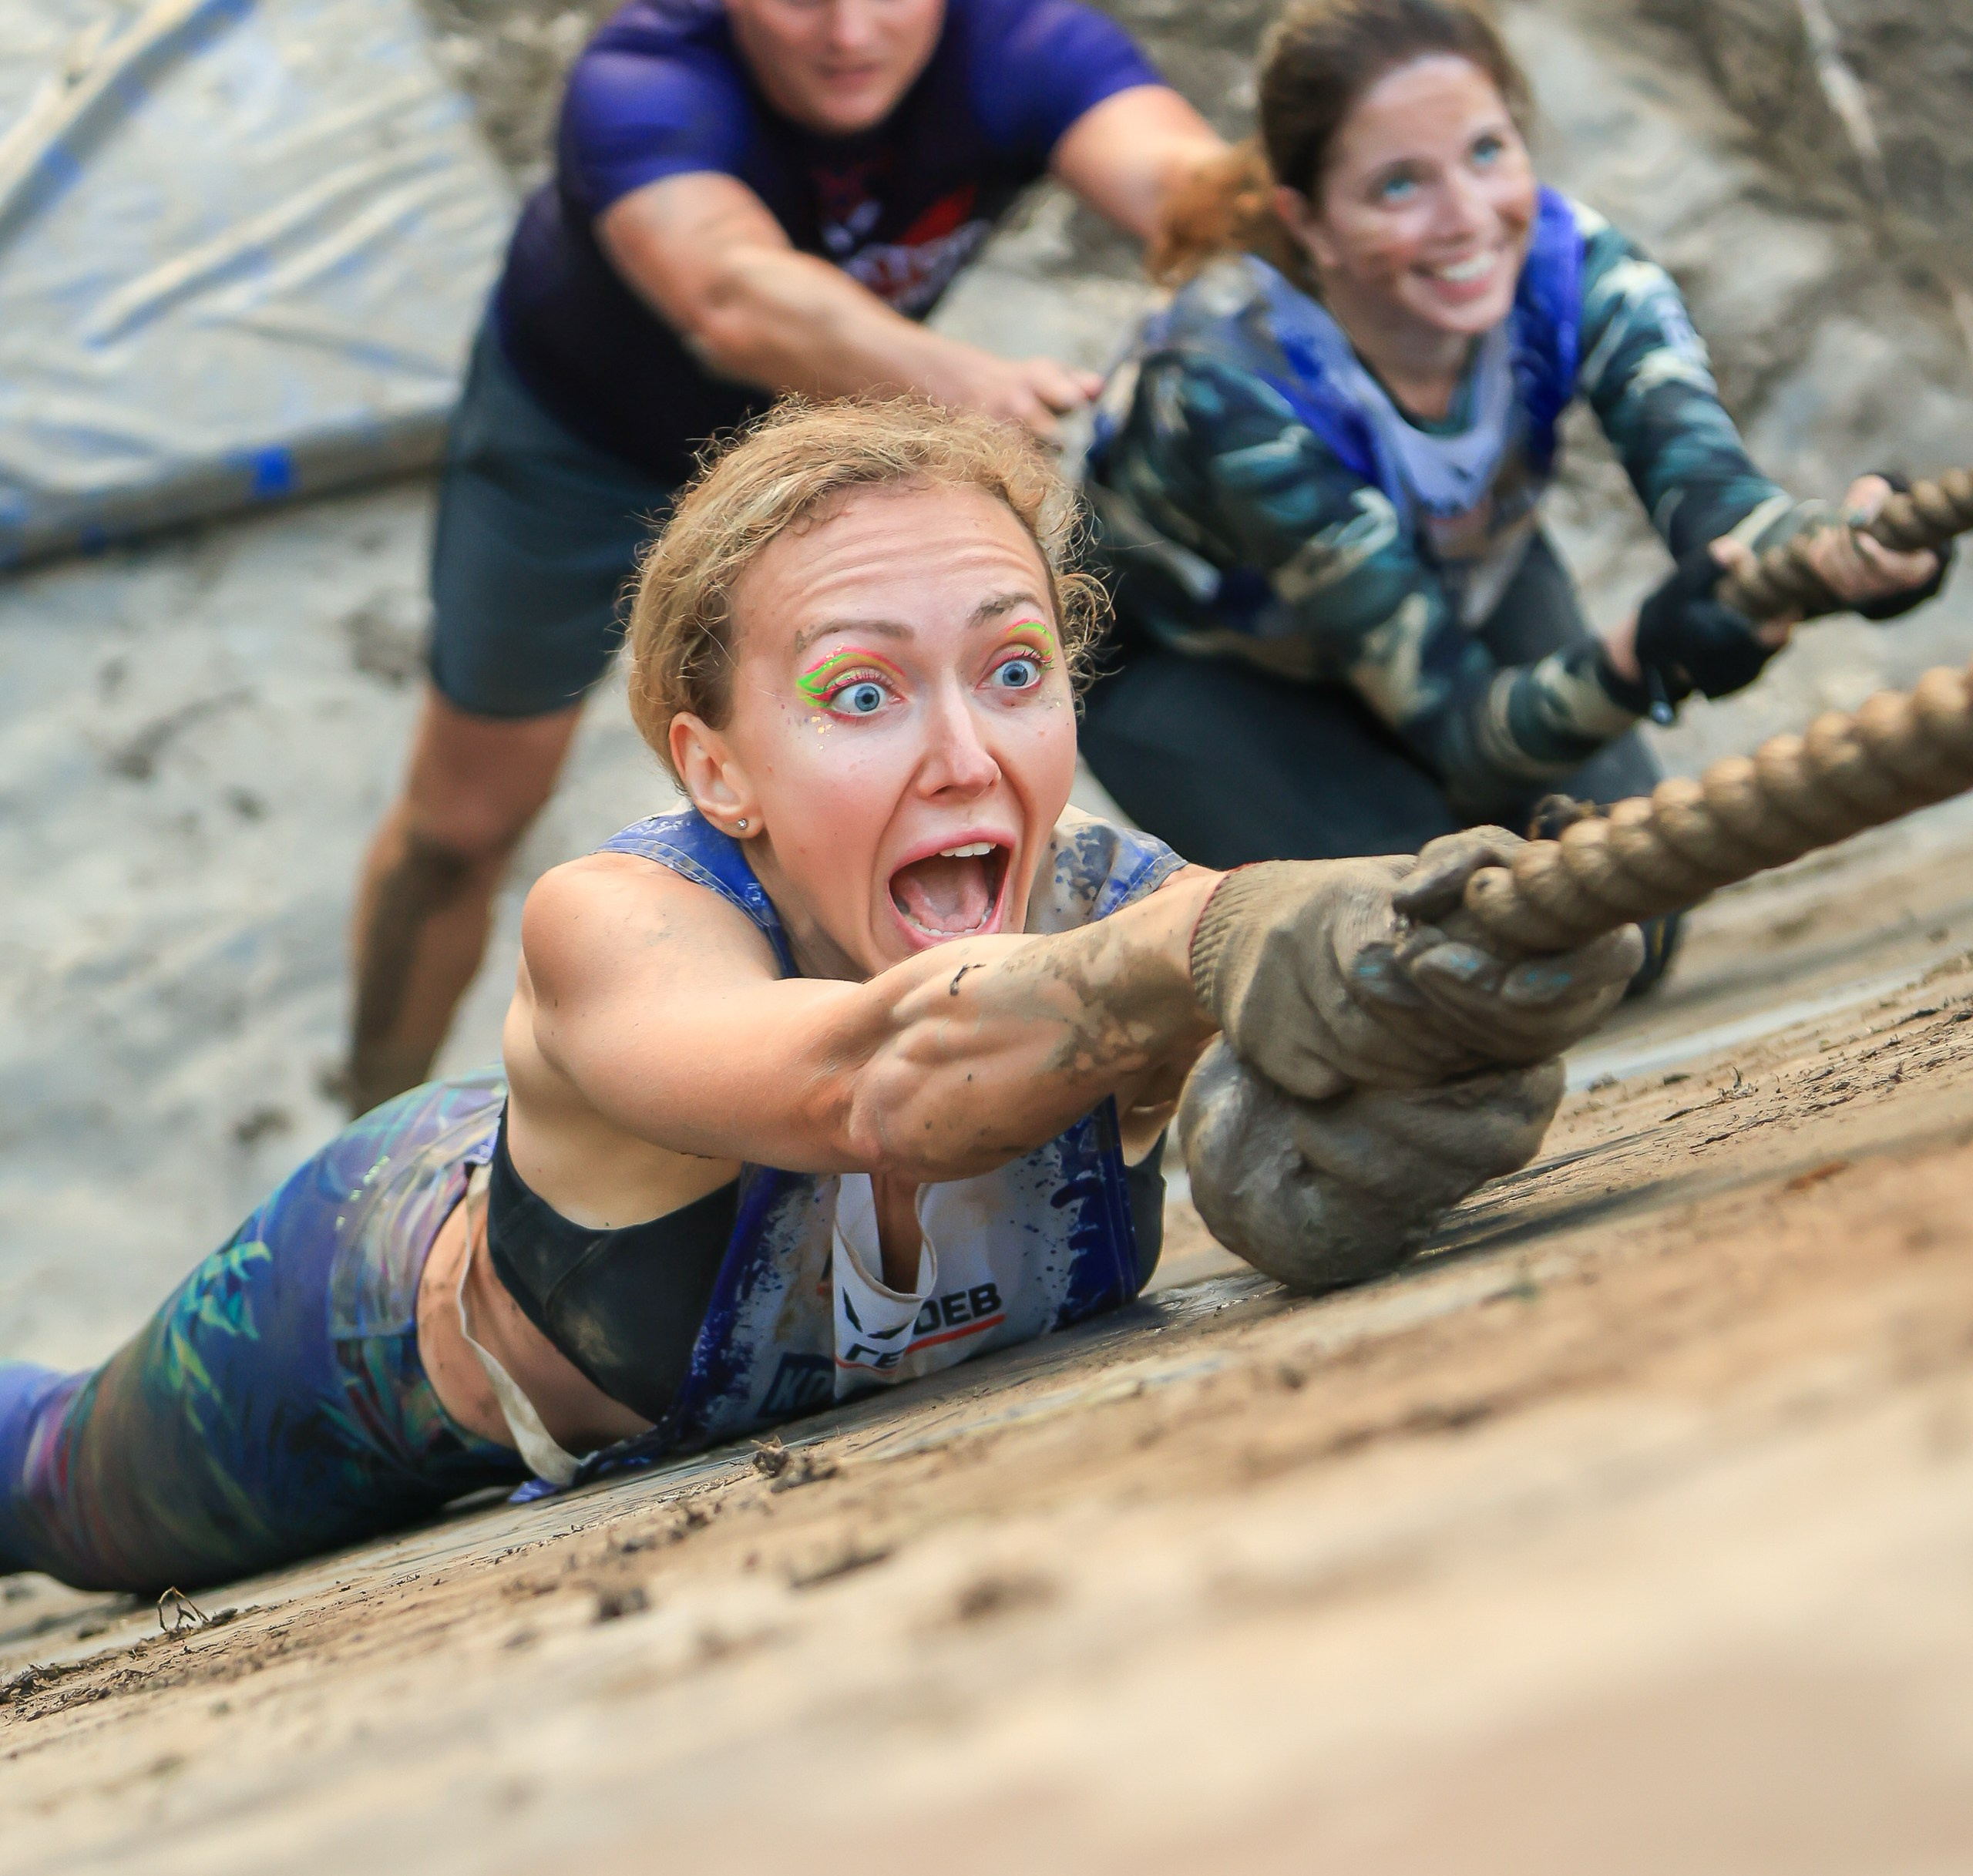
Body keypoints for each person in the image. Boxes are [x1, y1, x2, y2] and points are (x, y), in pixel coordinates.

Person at [0, 396, 1639, 1594]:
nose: (966, 754)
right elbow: (879, 1081)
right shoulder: (606, 926)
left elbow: (1281, 976)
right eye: (862, 693)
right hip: (359, 1306)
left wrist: (1444, 1009)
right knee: (52, 1486)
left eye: (1013, 669)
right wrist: (1217, 949)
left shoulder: (1122, 908)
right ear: (716, 767)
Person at [345, 0, 1229, 1117]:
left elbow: (1190, 189)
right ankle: (378, 1106)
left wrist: (1314, 206)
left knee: (883, 751)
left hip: (837, 481)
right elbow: (731, 290)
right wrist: (962, 386)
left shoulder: (1023, 43)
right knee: (460, 826)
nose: (848, 32)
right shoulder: (645, 74)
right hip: (583, 452)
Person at [1077, 0, 1944, 990]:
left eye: (1487, 152)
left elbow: (1717, 507)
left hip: (1461, 576)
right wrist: (1640, 660)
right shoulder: (1229, 382)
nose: (1467, 217)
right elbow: (1466, 733)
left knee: (1623, 915)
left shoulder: (1576, 265)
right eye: (1400, 184)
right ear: (1308, 221)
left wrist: (1846, 551)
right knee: (1436, 953)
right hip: (1205, 667)